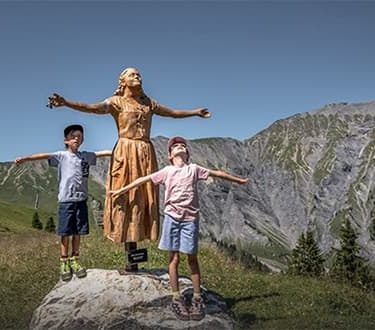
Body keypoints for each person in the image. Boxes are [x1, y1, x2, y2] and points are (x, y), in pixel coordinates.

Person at [48, 67, 211, 274]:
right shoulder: (116, 102)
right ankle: (123, 241)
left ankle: (137, 242)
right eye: (132, 74)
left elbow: (172, 113)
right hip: (125, 152)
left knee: (143, 195)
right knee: (125, 196)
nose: (138, 76)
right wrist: (67, 103)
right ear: (123, 80)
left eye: (139, 74)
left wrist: (194, 112)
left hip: (145, 152)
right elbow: (92, 107)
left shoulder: (148, 103)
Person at [109, 136, 248, 320]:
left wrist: (238, 181)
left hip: (190, 219)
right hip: (172, 219)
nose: (179, 147)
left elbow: (217, 173)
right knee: (173, 258)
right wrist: (122, 190)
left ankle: (197, 298)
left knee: (192, 259)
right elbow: (143, 179)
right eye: (175, 146)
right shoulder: (166, 171)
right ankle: (177, 298)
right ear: (170, 155)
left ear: (187, 153)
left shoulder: (194, 169)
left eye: (182, 145)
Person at [15, 124, 112, 281]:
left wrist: (120, 151)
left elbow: (103, 153)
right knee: (65, 232)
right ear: (66, 140)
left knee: (78, 232)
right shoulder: (61, 156)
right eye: (73, 136)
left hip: (81, 200)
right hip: (66, 200)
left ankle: (75, 260)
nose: (77, 139)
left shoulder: (86, 156)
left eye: (79, 136)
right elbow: (43, 155)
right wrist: (25, 158)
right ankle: (64, 261)